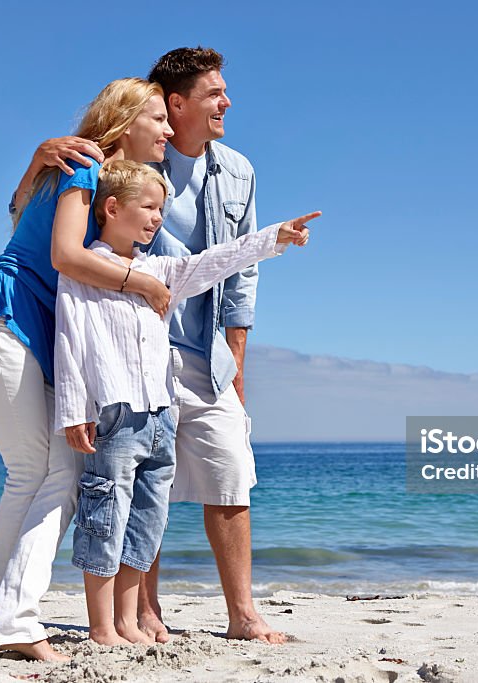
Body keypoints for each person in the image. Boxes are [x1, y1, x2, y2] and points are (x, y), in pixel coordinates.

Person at [27, 46, 287, 644]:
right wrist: (39, 159)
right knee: (132, 485)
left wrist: (237, 360)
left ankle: (242, 614)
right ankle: (138, 613)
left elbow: (233, 272)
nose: (227, 102)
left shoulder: (239, 172)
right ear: (175, 103)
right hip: (130, 352)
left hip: (203, 352)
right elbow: (62, 239)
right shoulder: (127, 165)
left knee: (226, 471)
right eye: (214, 93)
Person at [0, 78, 174, 661]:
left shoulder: (97, 180)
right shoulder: (86, 168)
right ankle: (16, 623)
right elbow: (62, 257)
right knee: (55, 475)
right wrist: (143, 282)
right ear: (125, 122)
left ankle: (7, 617)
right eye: (157, 118)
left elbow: (19, 213)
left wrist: (31, 164)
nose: (169, 130)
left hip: (8, 329)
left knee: (31, 475)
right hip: (9, 321)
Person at [53, 159, 317, 645]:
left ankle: (129, 621)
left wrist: (273, 237)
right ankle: (100, 625)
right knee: (104, 515)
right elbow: (70, 343)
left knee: (147, 520)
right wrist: (74, 411)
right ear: (111, 208)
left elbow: (214, 260)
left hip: (161, 414)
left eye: (161, 209)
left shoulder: (158, 269)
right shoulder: (86, 271)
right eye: (149, 208)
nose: (157, 219)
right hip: (115, 414)